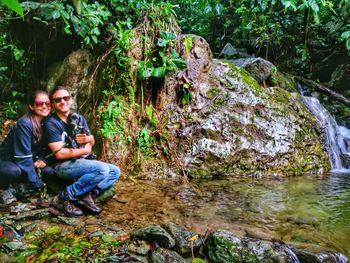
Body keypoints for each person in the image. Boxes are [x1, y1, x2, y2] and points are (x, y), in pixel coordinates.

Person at [43, 86, 120, 217]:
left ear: (71, 100)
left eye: (66, 98)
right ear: (53, 104)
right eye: (58, 100)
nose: (63, 101)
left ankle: (87, 194)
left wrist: (91, 139)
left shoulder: (78, 118)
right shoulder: (51, 123)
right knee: (102, 170)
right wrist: (85, 149)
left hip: (80, 161)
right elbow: (59, 154)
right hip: (61, 166)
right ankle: (63, 197)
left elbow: (89, 143)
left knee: (115, 171)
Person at [0, 90, 51, 204]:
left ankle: (19, 185)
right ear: (31, 106)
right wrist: (37, 183)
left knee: (48, 171)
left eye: (47, 103)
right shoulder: (25, 124)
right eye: (39, 103)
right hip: (7, 160)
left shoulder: (47, 122)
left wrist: (43, 159)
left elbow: (48, 148)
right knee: (12, 171)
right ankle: (3, 188)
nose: (44, 106)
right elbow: (23, 158)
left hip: (26, 159)